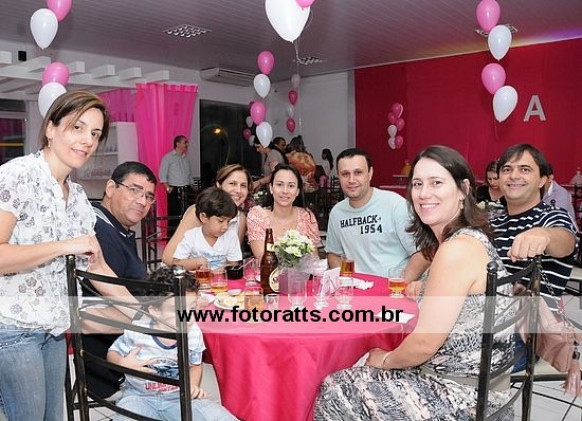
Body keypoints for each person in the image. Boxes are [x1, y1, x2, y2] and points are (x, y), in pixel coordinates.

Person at [315, 145, 514, 420]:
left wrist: (386, 360)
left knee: (334, 389)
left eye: (436, 183)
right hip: (478, 380)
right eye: (418, 184)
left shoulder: (456, 249)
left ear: (463, 189)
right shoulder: (467, 238)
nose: (423, 193)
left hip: (465, 396)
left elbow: (423, 345)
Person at [0, 91, 126, 421]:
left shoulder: (78, 196)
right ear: (51, 128)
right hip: (14, 327)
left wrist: (142, 312)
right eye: (77, 128)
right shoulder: (17, 175)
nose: (87, 141)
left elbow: (97, 266)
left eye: (95, 133)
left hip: (55, 328)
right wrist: (63, 245)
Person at [108, 267, 236, 421]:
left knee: (219, 417)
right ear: (155, 311)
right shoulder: (138, 331)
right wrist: (122, 363)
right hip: (139, 397)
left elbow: (194, 365)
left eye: (192, 307)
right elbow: (113, 353)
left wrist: (192, 386)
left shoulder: (193, 333)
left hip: (179, 398)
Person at [82, 161, 157, 400]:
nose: (142, 201)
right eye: (134, 190)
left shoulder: (113, 226)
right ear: (111, 188)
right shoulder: (100, 232)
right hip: (113, 368)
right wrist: (158, 317)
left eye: (148, 196)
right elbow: (91, 315)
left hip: (122, 354)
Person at [491, 144, 576, 311]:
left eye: (525, 169)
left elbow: (566, 241)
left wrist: (545, 235)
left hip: (526, 322)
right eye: (507, 169)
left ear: (542, 180)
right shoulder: (493, 224)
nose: (514, 176)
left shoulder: (551, 216)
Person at [325, 147, 429, 278]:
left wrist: (401, 284)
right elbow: (333, 254)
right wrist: (345, 282)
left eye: (358, 172)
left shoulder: (395, 205)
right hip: (358, 287)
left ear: (370, 173)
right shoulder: (337, 213)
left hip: (393, 285)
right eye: (345, 174)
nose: (351, 180)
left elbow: (422, 253)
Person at [162, 164, 252, 266]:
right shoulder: (200, 211)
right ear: (219, 185)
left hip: (218, 274)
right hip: (187, 272)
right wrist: (197, 266)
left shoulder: (240, 218)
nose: (238, 190)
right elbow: (168, 258)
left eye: (243, 185)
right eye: (232, 183)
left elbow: (232, 259)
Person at [247, 164, 320, 258]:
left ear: (297, 191)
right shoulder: (257, 216)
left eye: (291, 186)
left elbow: (314, 259)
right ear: (271, 188)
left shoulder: (306, 216)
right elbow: (262, 258)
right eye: (279, 184)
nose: (285, 191)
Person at [172, 187, 242, 271]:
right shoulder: (191, 236)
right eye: (220, 221)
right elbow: (176, 264)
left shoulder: (230, 236)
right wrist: (197, 262)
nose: (225, 226)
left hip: (220, 279)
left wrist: (223, 269)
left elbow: (234, 263)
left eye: (228, 221)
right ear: (203, 217)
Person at [159, 135, 193, 235]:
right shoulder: (168, 158)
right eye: (184, 142)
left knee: (187, 213)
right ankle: (172, 237)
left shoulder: (186, 158)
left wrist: (191, 186)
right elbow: (162, 174)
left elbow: (189, 174)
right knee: (174, 214)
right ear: (177, 144)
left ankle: (185, 236)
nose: (186, 144)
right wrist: (168, 188)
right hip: (174, 189)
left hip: (186, 188)